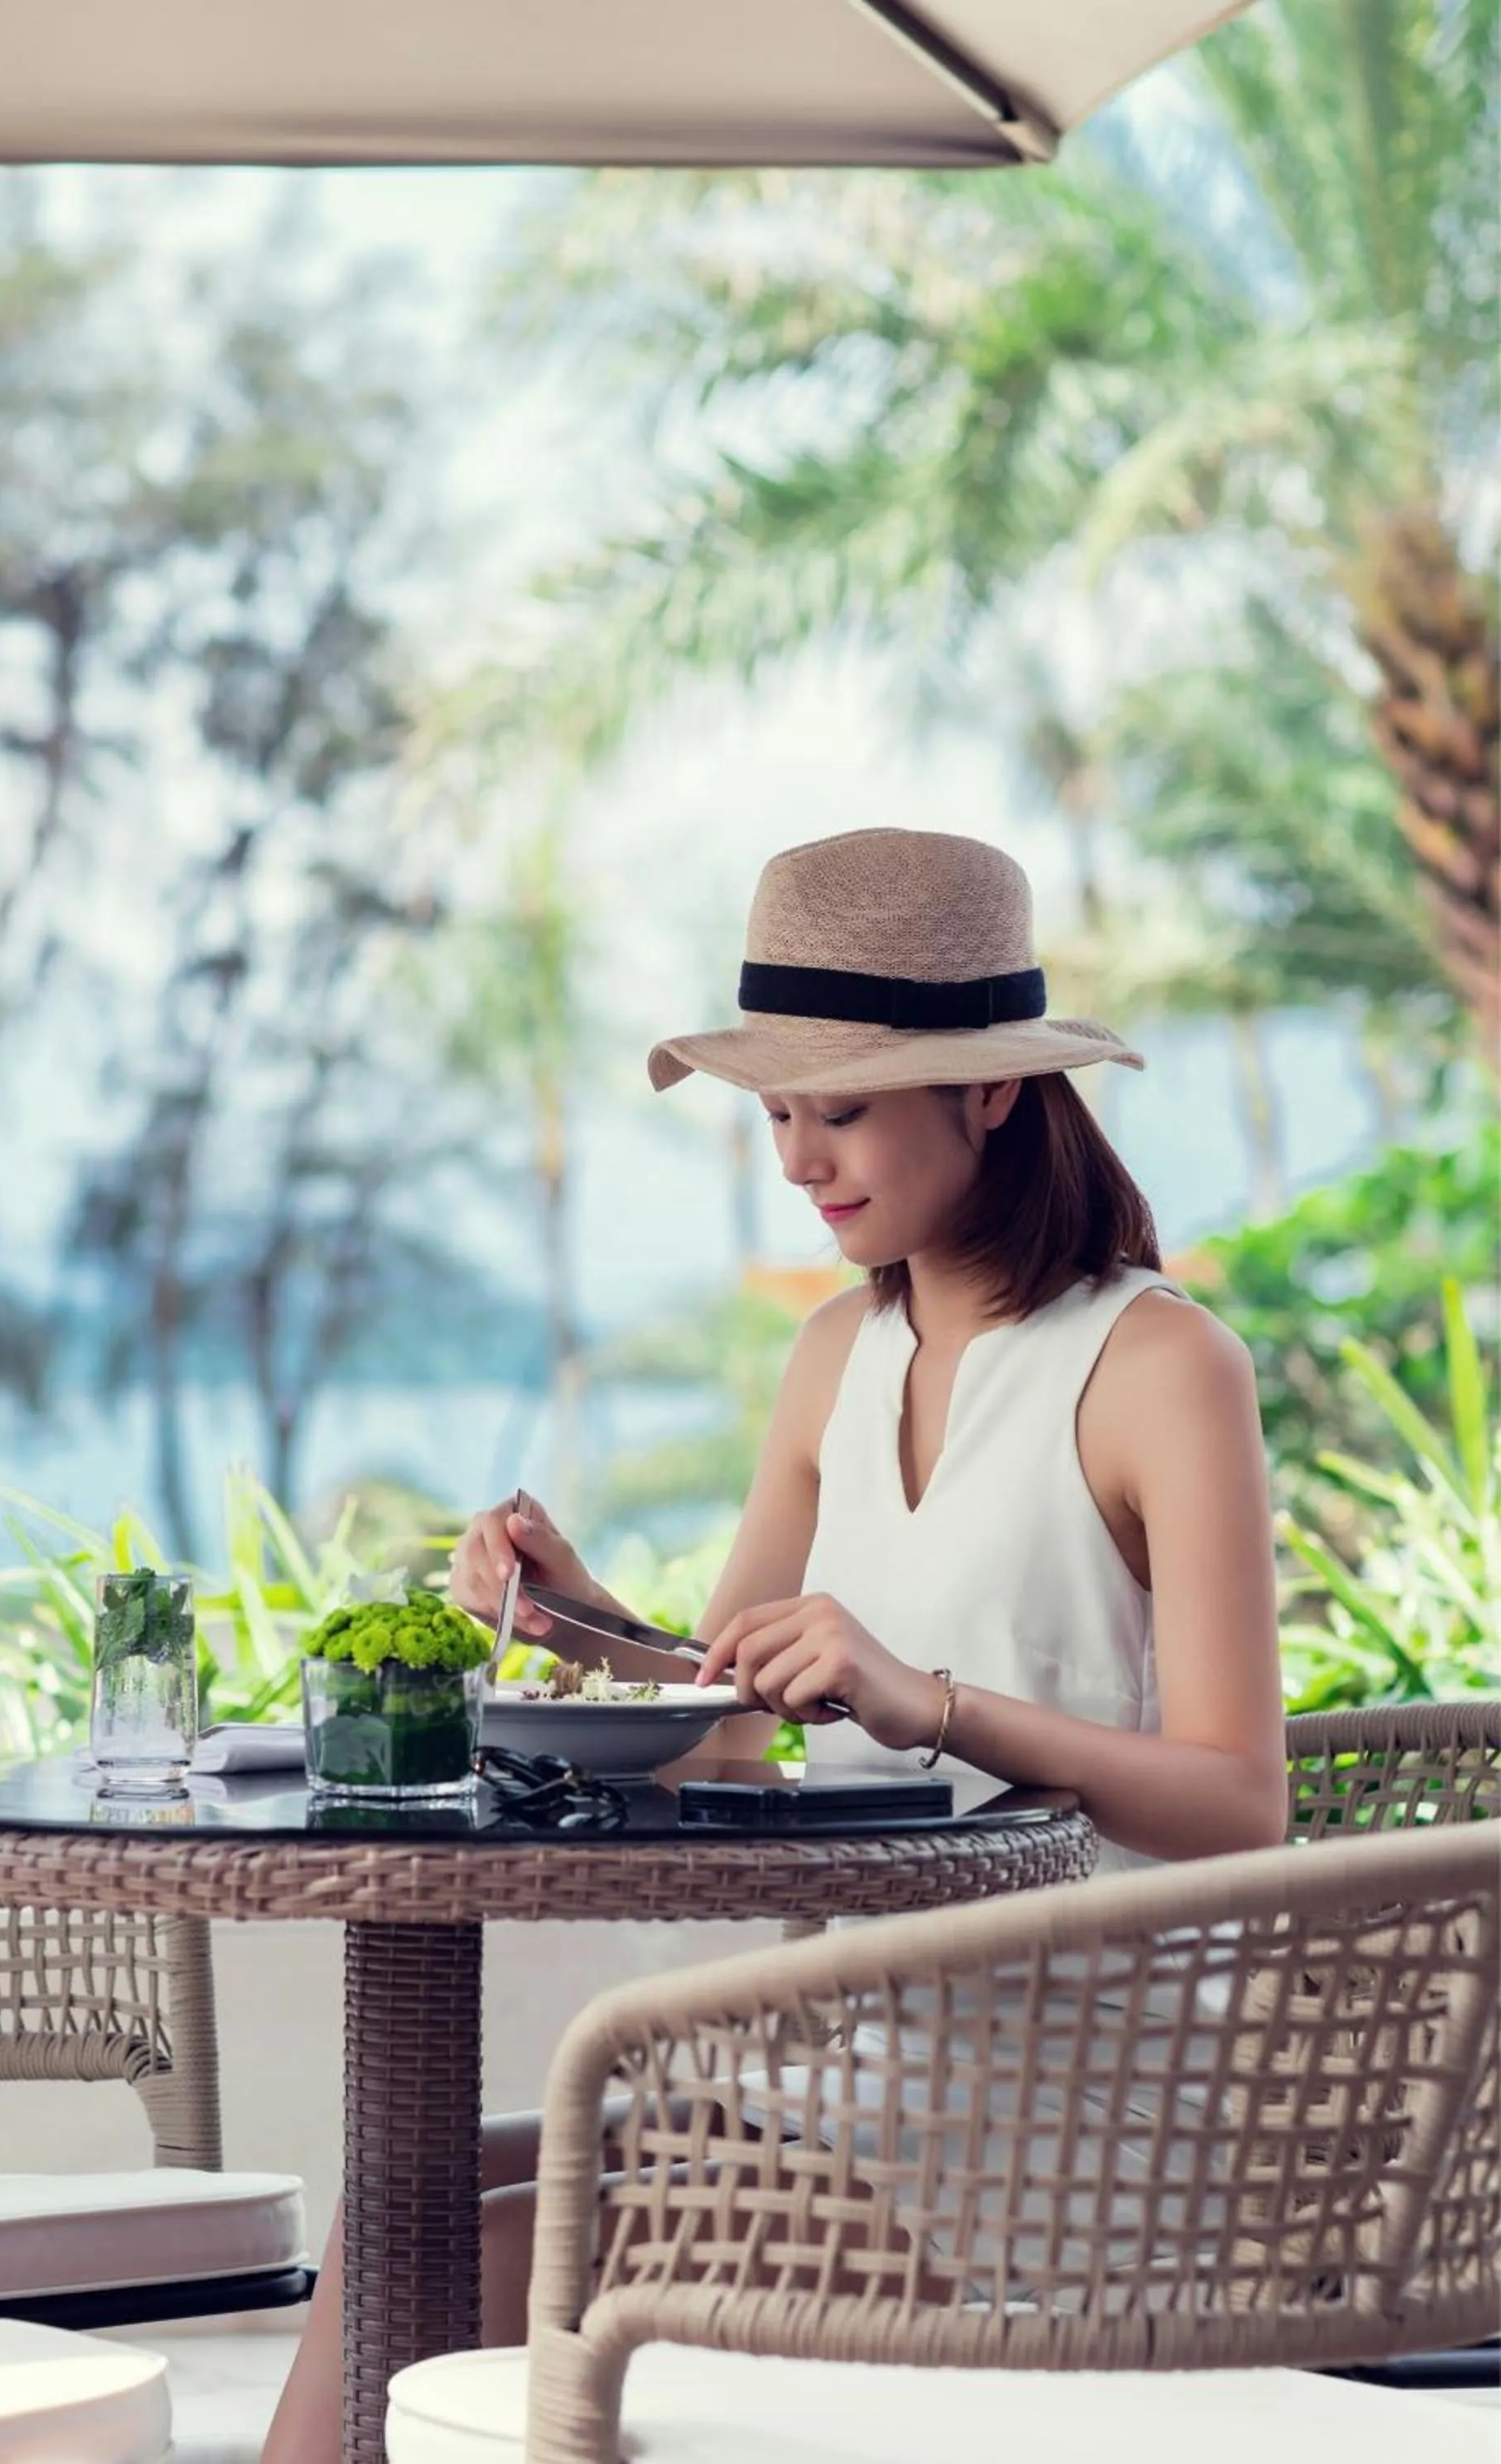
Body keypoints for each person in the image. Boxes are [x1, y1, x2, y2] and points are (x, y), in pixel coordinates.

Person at [264, 827, 1286, 2462]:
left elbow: (1241, 1805)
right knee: (412, 2202)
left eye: (843, 1109)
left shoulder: (1160, 1365)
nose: (802, 1159)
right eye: (777, 1115)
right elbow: (732, 1724)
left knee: (458, 2260)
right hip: (862, 2071)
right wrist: (577, 1618)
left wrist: (933, 1705)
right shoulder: (836, 1355)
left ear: (991, 1092)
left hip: (1083, 2130)